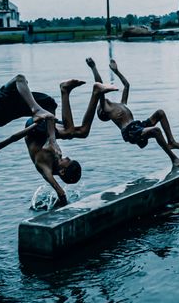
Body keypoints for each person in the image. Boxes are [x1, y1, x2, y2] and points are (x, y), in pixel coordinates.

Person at [24, 78, 117, 207]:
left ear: (62, 171)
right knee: (82, 132)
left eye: (67, 160)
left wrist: (63, 210)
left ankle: (65, 90)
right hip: (46, 131)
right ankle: (96, 93)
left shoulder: (45, 169)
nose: (66, 156)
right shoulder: (58, 161)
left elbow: (61, 192)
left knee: (68, 132)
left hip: (33, 129)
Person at [84, 56, 179, 168]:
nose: (100, 105)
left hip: (138, 126)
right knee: (156, 131)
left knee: (160, 113)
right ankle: (174, 159)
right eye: (99, 108)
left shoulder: (121, 104)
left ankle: (171, 141)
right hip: (130, 132)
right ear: (103, 113)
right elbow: (99, 86)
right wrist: (93, 67)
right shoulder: (107, 109)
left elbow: (127, 85)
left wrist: (116, 71)